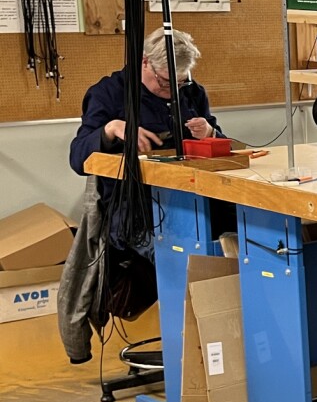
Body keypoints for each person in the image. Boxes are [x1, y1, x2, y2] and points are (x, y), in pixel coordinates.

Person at [69, 29, 223, 248]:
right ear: (144, 62)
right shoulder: (110, 94)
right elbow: (77, 158)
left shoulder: (192, 93)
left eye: (180, 83)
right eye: (165, 82)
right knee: (177, 253)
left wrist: (210, 133)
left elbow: (223, 149)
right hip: (134, 209)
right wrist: (111, 129)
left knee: (236, 237)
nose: (173, 92)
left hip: (192, 199)